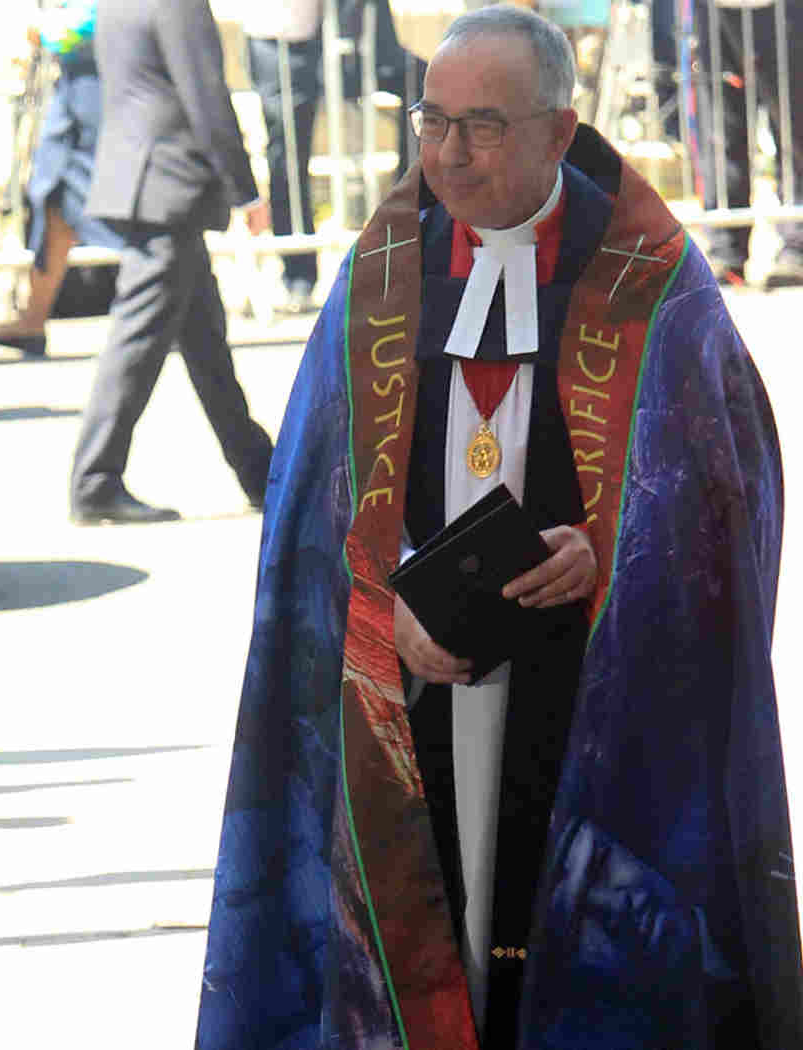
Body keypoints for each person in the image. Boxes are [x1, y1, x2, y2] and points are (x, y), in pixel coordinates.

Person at [198, 6, 801, 1049]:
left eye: (481, 125)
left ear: (560, 134)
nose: (447, 152)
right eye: (432, 121)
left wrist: (613, 549)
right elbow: (308, 514)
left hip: (587, 689)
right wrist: (381, 612)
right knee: (444, 933)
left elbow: (725, 490)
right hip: (414, 680)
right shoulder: (377, 279)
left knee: (544, 945)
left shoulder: (652, 283)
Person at [70, 0, 275, 524]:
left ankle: (260, 471)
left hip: (149, 178)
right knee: (136, 343)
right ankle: (95, 480)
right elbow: (205, 94)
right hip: (168, 182)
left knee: (207, 344)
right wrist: (246, 191)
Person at [0, 0, 126, 358]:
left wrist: (49, 32)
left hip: (104, 81)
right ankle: (33, 319)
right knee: (54, 198)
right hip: (76, 83)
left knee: (124, 203)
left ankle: (163, 314)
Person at [687, 0, 803, 288]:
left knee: (792, 116)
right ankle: (726, 249)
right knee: (721, 125)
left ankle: (797, 246)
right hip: (716, 8)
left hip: (784, 9)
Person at [244, 0, 324, 314]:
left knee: (292, 158)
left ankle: (299, 270)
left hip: (306, 36)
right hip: (266, 37)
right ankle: (294, 269)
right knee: (282, 156)